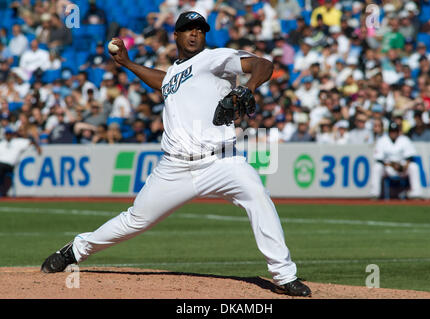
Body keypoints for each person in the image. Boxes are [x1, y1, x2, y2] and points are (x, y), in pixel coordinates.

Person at [40, 11, 311, 297]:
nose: (194, 34)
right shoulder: (174, 73)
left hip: (222, 161)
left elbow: (262, 64)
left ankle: (284, 275)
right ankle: (76, 249)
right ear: (176, 35)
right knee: (135, 220)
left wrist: (249, 86)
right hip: (174, 168)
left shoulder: (213, 59)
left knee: (258, 197)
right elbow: (164, 81)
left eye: (200, 30)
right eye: (188, 29)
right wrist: (129, 64)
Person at [370, 122, 423, 199]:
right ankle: (374, 194)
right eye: (391, 131)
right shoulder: (382, 140)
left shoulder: (404, 140)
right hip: (388, 167)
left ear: (398, 132)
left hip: (402, 167)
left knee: (414, 166)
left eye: (395, 131)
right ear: (388, 132)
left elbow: (410, 157)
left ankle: (416, 193)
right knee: (376, 167)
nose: (393, 133)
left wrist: (404, 166)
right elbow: (379, 159)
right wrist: (392, 165)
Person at [0, 126, 41, 196]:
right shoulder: (2, 143)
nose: (8, 135)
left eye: (10, 134)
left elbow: (31, 142)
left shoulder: (17, 142)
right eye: (7, 134)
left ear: (12, 134)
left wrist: (38, 147)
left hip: (9, 165)